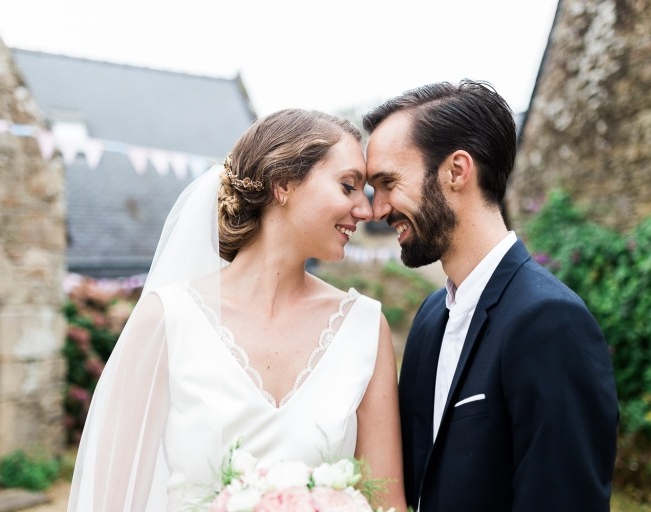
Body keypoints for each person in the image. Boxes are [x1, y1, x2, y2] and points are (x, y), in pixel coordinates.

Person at [68, 109, 408, 511]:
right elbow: (110, 497)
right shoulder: (167, 318)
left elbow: (386, 503)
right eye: (348, 186)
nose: (366, 211)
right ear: (283, 183)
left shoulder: (365, 327)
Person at [363, 80, 619, 511]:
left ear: (457, 171)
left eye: (388, 182)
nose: (377, 209)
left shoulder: (550, 322)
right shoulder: (429, 319)